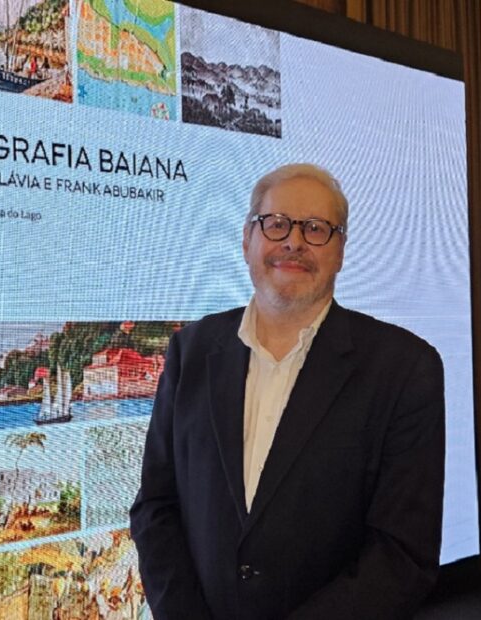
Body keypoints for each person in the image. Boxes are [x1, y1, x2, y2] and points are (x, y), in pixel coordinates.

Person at [130, 163, 445, 619]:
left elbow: (402, 554)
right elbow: (156, 506)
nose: (293, 241)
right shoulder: (190, 351)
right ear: (247, 240)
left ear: (340, 251)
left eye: (316, 228)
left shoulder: (404, 368)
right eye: (275, 224)